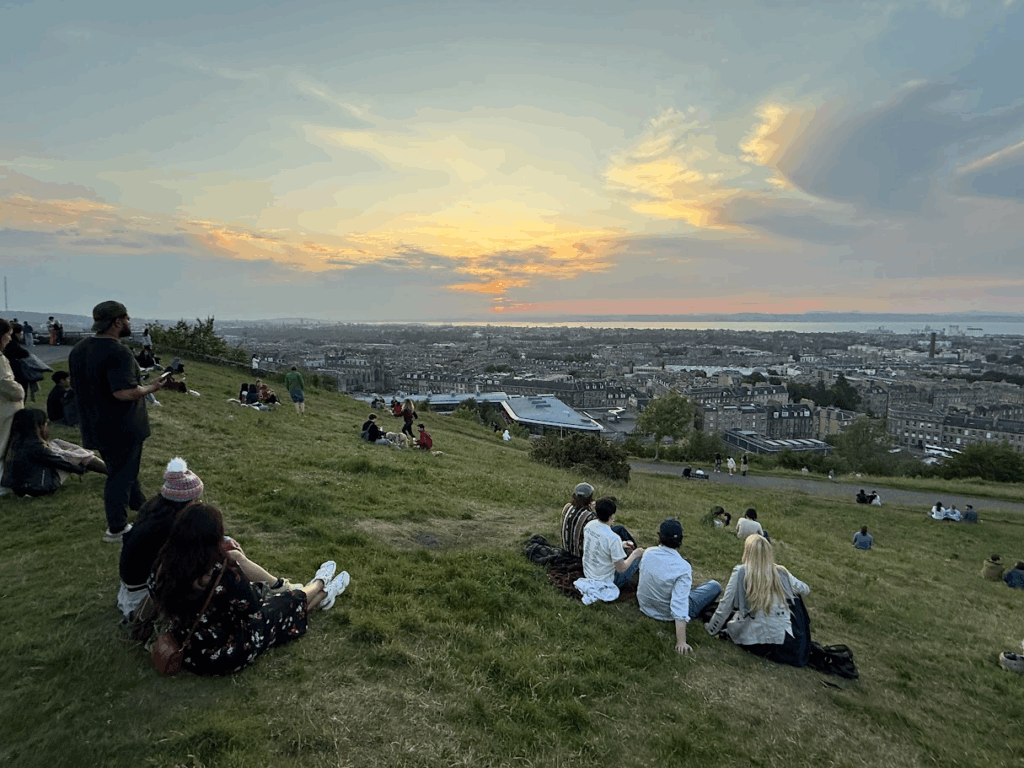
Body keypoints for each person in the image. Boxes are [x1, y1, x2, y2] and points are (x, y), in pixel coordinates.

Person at [149, 502, 351, 675]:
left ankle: (325, 593)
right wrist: (239, 563)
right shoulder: (220, 572)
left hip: (190, 650)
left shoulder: (162, 565)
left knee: (280, 607)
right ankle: (320, 585)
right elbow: (252, 606)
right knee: (284, 603)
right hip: (227, 652)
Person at [118, 457, 299, 622]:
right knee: (232, 557)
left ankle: (274, 585)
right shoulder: (173, 525)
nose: (198, 503)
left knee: (225, 551)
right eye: (196, 500)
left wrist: (222, 539)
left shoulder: (154, 511)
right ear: (186, 503)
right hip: (146, 599)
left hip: (132, 591)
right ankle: (278, 586)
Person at [68, 301, 167, 543]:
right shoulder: (118, 351)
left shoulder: (79, 349)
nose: (130, 323)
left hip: (94, 423)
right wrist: (151, 387)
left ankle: (141, 507)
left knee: (122, 469)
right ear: (117, 321)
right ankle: (117, 528)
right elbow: (123, 392)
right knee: (120, 476)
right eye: (127, 318)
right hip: (121, 425)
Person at [706, 535, 811, 667]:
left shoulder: (742, 572)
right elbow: (805, 589)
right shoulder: (781, 572)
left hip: (758, 641)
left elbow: (725, 605)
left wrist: (711, 629)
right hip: (787, 643)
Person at [637, 518, 722, 655]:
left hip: (645, 606)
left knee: (690, 589)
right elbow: (679, 604)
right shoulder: (683, 567)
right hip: (666, 614)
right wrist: (681, 641)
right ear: (680, 540)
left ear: (659, 536)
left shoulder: (648, 553)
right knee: (714, 585)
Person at [2, 409, 106, 497]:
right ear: (38, 427)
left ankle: (110, 470)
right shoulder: (36, 446)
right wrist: (81, 468)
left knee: (64, 451)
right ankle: (111, 471)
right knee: (78, 454)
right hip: (37, 488)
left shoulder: (15, 443)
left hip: (17, 488)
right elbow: (61, 463)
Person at [582, 498, 645, 589]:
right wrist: (635, 554)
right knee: (638, 556)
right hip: (606, 580)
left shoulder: (590, 525)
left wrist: (621, 544)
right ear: (612, 516)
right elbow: (621, 569)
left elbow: (601, 544)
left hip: (588, 573)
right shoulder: (613, 538)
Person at [0, 319, 26, 478]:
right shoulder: (0, 359)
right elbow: (5, 382)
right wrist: (20, 390)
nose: (9, 339)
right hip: (6, 408)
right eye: (7, 335)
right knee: (5, 442)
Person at [560, 482, 596, 558]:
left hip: (565, 549)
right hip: (579, 555)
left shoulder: (567, 507)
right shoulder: (589, 516)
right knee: (618, 529)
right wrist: (591, 510)